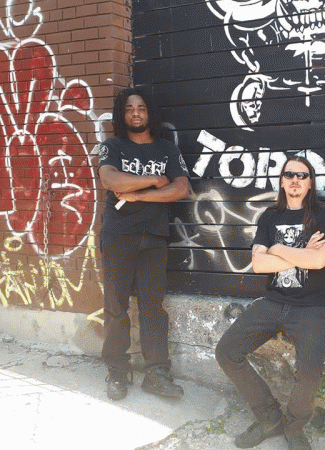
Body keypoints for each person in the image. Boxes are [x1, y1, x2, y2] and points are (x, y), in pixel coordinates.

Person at [215, 156, 325, 450]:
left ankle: (294, 427)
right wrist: (301, 253)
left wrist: (277, 248)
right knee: (227, 352)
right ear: (282, 181)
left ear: (310, 183)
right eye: (289, 174)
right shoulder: (269, 217)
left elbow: (318, 261)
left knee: (309, 371)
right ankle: (269, 418)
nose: (295, 179)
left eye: (302, 175)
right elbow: (259, 265)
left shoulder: (323, 215)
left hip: (313, 305)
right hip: (273, 301)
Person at [97, 87, 190, 401]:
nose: (135, 113)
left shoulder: (166, 149)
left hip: (154, 237)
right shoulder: (112, 146)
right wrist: (153, 180)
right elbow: (110, 180)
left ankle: (157, 374)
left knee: (153, 308)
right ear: (121, 114)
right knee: (116, 307)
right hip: (118, 236)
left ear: (150, 113)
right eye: (129, 108)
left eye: (141, 108)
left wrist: (137, 196)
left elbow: (180, 189)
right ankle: (117, 371)